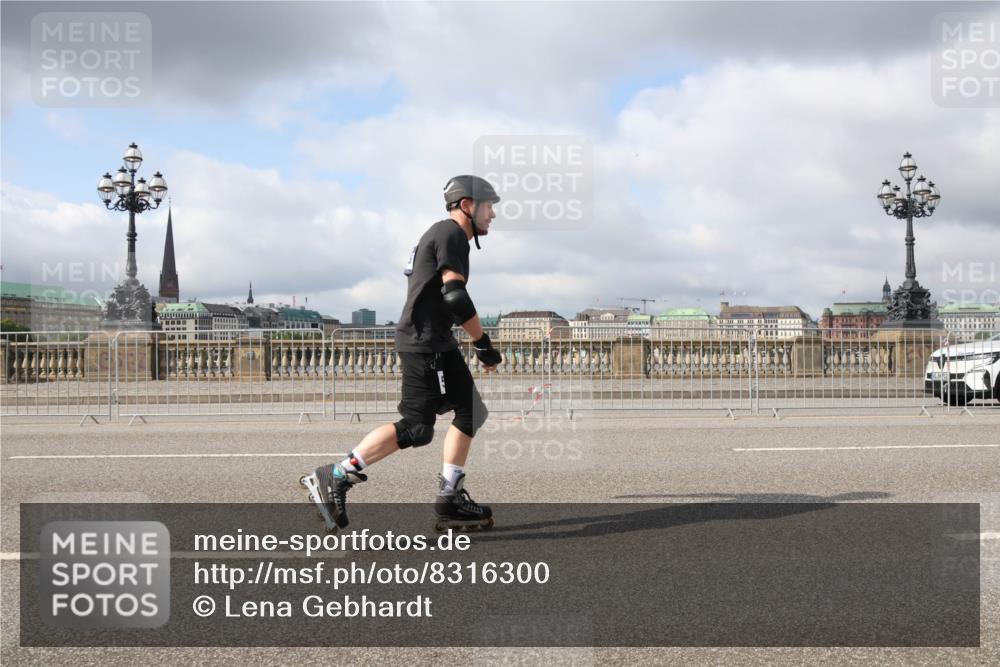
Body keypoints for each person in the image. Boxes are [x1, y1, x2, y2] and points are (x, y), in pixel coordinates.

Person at [301, 175, 503, 532]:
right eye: (489, 206)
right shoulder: (451, 233)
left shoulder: (445, 234)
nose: (493, 215)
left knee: (472, 411)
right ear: (467, 206)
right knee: (417, 427)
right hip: (425, 343)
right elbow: (455, 295)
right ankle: (334, 475)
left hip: (434, 340)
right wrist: (484, 344)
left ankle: (449, 497)